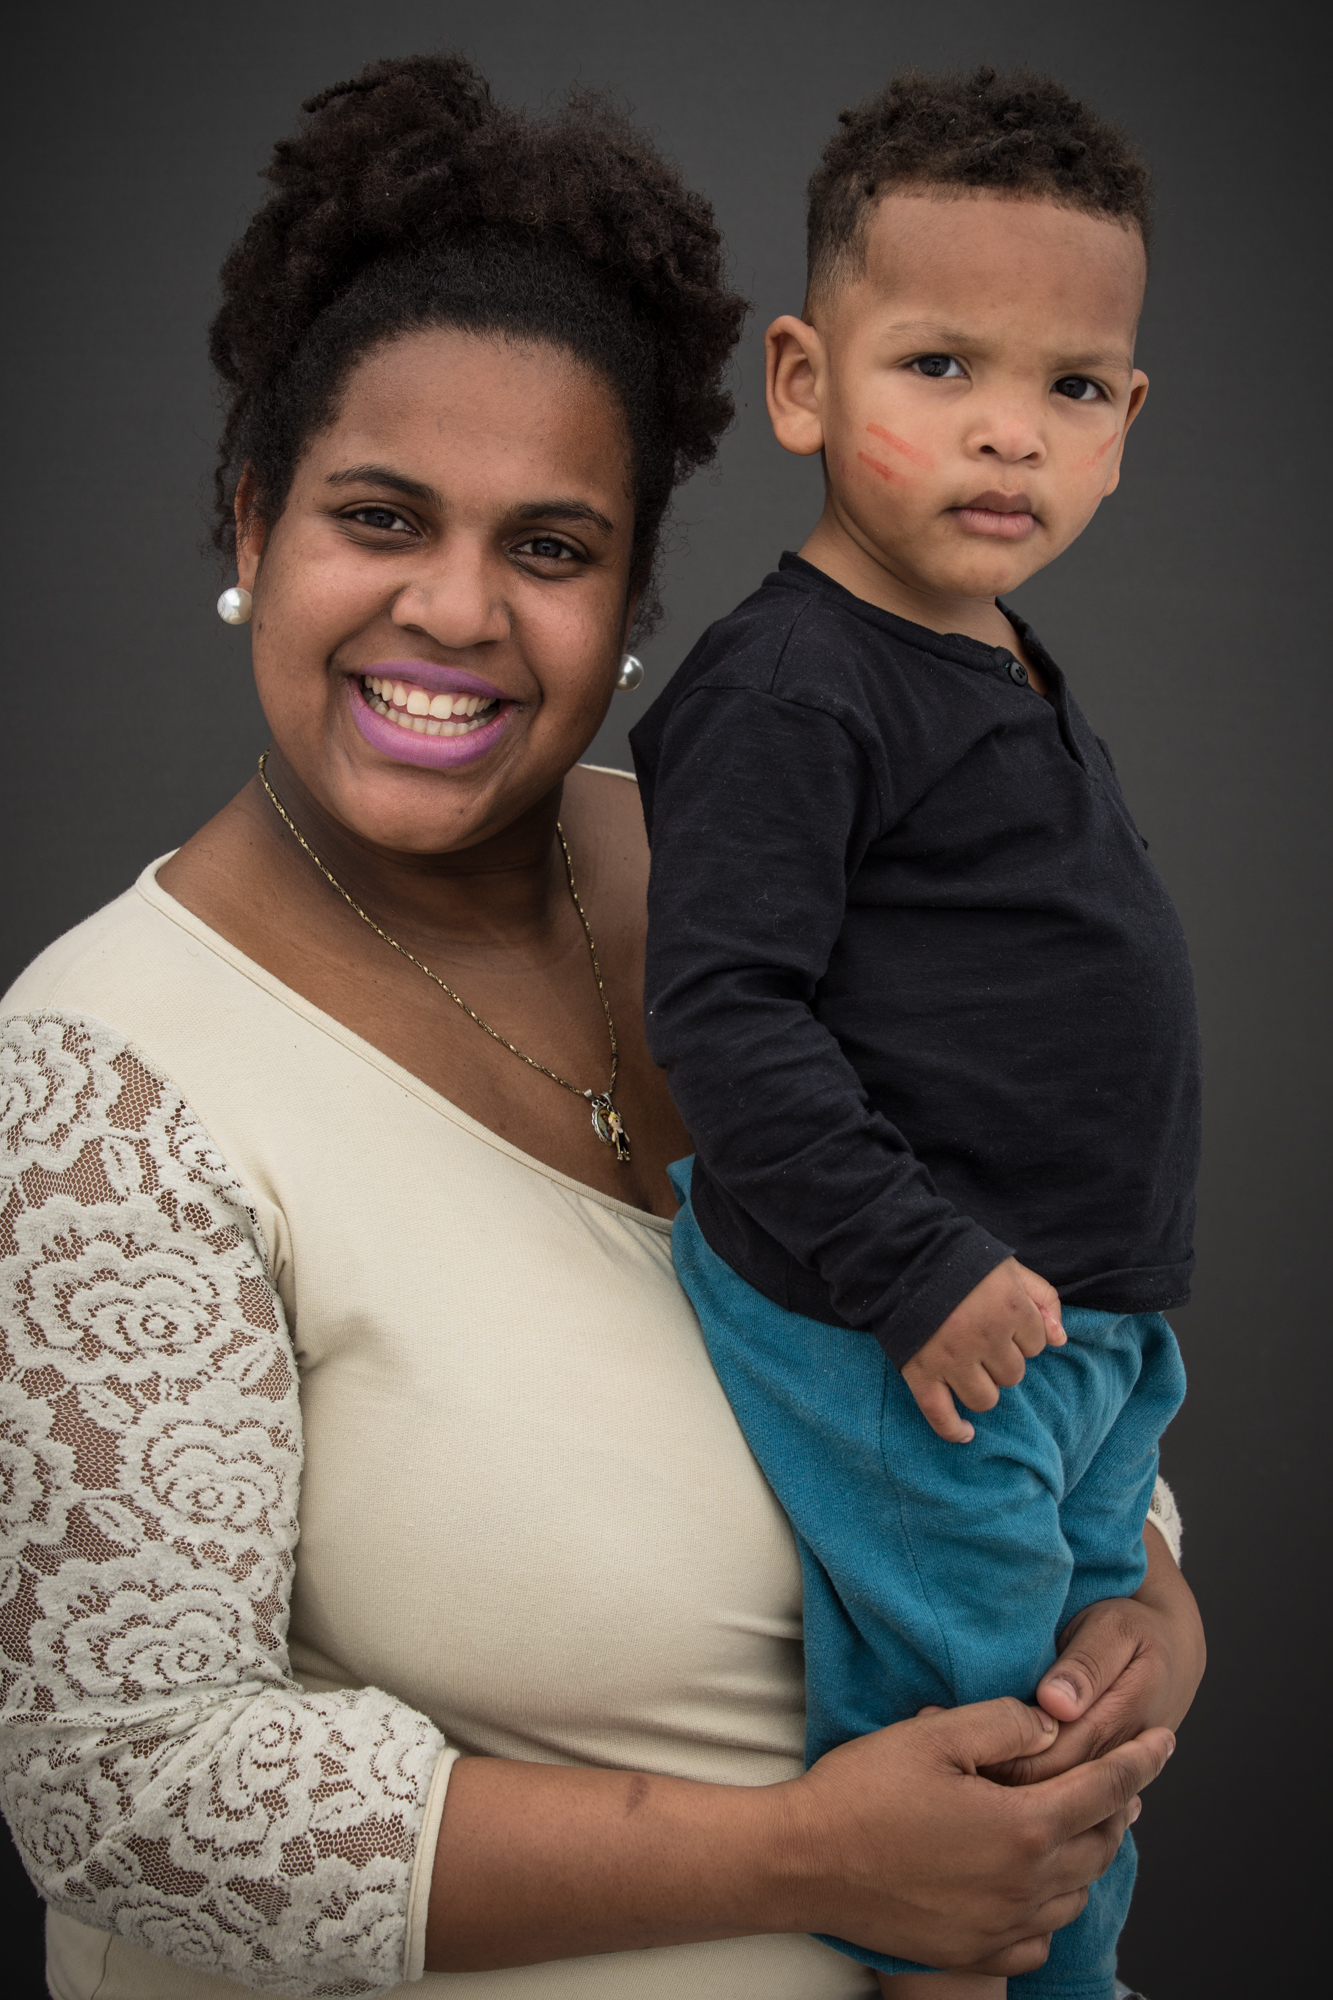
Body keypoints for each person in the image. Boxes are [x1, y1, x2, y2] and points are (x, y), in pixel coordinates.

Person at [0, 54, 1198, 2000]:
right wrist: (818, 1862)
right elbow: (122, 1792)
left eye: (550, 547)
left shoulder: (788, 874)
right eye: (378, 516)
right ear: (250, 522)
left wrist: (1141, 1597)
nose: (455, 609)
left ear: (634, 589)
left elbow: (1006, 1274)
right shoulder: (105, 1075)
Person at [631, 67, 1198, 2000]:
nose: (1006, 430)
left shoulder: (993, 648)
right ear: (803, 384)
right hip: (905, 1324)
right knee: (974, 1751)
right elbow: (726, 1011)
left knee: (1081, 1728)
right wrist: (914, 1267)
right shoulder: (792, 683)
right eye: (940, 365)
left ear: (1124, 426)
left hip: (1070, 1328)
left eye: (1068, 387)